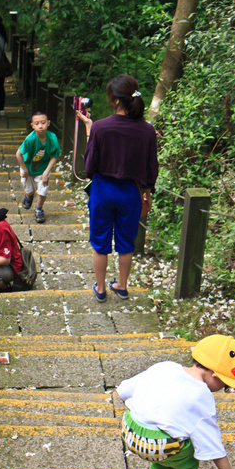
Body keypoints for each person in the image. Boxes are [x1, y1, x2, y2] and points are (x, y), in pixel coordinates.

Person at [117, 335, 235, 469]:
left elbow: (123, 390)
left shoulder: (166, 366)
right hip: (160, 445)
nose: (224, 389)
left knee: (166, 452)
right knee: (188, 457)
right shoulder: (201, 395)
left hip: (130, 431)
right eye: (225, 384)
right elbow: (211, 444)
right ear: (215, 376)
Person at [77, 74, 158, 303]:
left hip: (103, 190)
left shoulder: (101, 128)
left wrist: (89, 130)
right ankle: (122, 286)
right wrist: (147, 192)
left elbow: (90, 165)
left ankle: (101, 288)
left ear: (114, 100)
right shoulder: (147, 130)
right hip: (131, 192)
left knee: (100, 242)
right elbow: (151, 165)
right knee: (126, 242)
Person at [16, 110, 61, 224]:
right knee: (29, 190)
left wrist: (46, 173)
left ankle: (39, 209)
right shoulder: (30, 139)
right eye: (37, 123)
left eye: (43, 122)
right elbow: (18, 154)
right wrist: (25, 170)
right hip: (28, 166)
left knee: (43, 190)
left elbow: (55, 155)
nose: (40, 126)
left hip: (43, 168)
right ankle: (29, 196)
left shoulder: (52, 138)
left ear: (48, 123)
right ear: (32, 125)